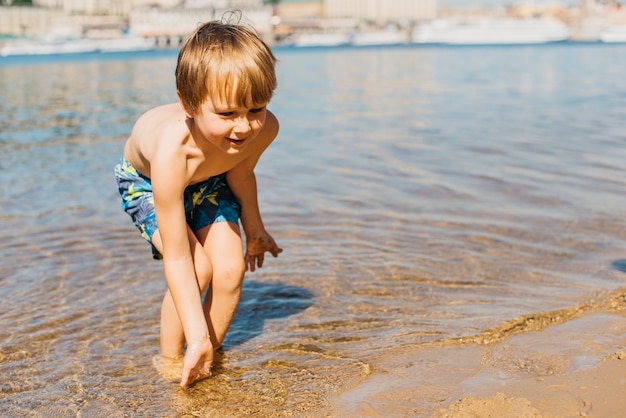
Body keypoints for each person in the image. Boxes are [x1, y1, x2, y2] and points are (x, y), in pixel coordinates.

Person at [114, 19, 282, 387]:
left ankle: (206, 357)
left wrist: (255, 230)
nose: (244, 127)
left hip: (209, 178)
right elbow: (176, 257)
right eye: (227, 114)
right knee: (197, 268)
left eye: (256, 108)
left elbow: (239, 174)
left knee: (229, 270)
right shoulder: (174, 151)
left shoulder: (263, 129)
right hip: (147, 182)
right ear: (188, 105)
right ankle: (172, 360)